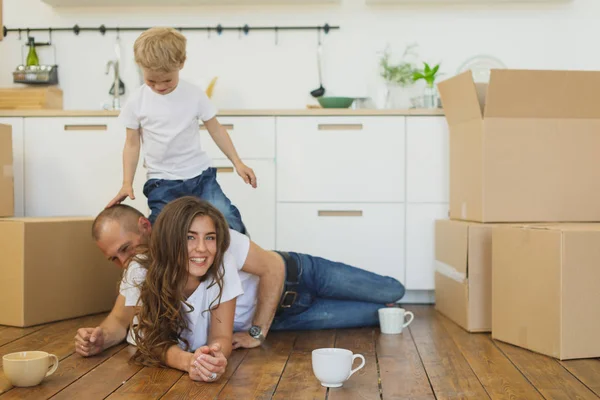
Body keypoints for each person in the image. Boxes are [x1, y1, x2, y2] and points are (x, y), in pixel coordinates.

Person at [75, 199, 404, 382]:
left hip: (299, 275)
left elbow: (273, 267)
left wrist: (258, 332)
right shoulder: (142, 271)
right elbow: (124, 322)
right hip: (285, 319)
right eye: (114, 258)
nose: (125, 260)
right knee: (384, 314)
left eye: (126, 248)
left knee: (394, 290)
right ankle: (391, 313)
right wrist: (99, 338)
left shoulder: (217, 250)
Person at [106, 27, 255, 234]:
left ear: (181, 63)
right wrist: (126, 182)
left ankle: (243, 263)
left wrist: (237, 162)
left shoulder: (194, 95)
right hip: (161, 183)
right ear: (140, 67)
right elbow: (132, 143)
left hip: (200, 179)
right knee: (161, 232)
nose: (159, 87)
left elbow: (216, 129)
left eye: (166, 80)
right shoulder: (136, 101)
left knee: (228, 219)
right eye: (151, 81)